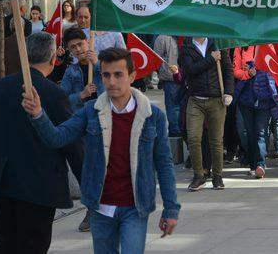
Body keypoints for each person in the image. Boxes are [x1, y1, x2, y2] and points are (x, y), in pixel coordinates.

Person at [22, 48, 180, 253]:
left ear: (132, 76)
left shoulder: (152, 115)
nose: (112, 81)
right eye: (106, 75)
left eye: (118, 74)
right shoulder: (91, 111)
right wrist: (38, 114)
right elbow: (56, 138)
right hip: (100, 206)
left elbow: (164, 164)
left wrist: (171, 209)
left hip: (135, 207)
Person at [0, 32, 84, 253]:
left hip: (4, 182)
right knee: (34, 245)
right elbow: (70, 142)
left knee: (8, 245)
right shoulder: (55, 94)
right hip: (40, 184)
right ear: (54, 57)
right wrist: (88, 184)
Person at [179, 37, 234, 191]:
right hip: (195, 99)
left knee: (216, 140)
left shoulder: (217, 44)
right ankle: (199, 175)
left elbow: (228, 69)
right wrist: (211, 59)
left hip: (216, 99)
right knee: (193, 138)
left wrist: (229, 92)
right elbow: (190, 70)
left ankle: (217, 176)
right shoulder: (186, 47)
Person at [233, 46, 278, 179]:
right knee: (248, 132)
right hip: (245, 96)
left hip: (264, 95)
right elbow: (235, 71)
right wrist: (247, 74)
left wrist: (256, 71)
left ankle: (260, 164)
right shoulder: (240, 47)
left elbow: (272, 66)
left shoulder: (267, 45)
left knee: (260, 132)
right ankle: (253, 163)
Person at [61, 28, 105, 112]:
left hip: (104, 113)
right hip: (82, 116)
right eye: (73, 47)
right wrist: (81, 95)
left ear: (87, 41)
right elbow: (62, 99)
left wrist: (97, 63)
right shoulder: (70, 71)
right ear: (69, 50)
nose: (77, 49)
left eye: (80, 44)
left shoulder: (105, 63)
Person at [154, 35, 183, 138]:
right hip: (171, 77)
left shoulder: (186, 35)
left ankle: (179, 129)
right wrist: (162, 72)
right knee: (173, 106)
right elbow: (156, 58)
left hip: (186, 75)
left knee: (180, 106)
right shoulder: (162, 38)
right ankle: (175, 130)